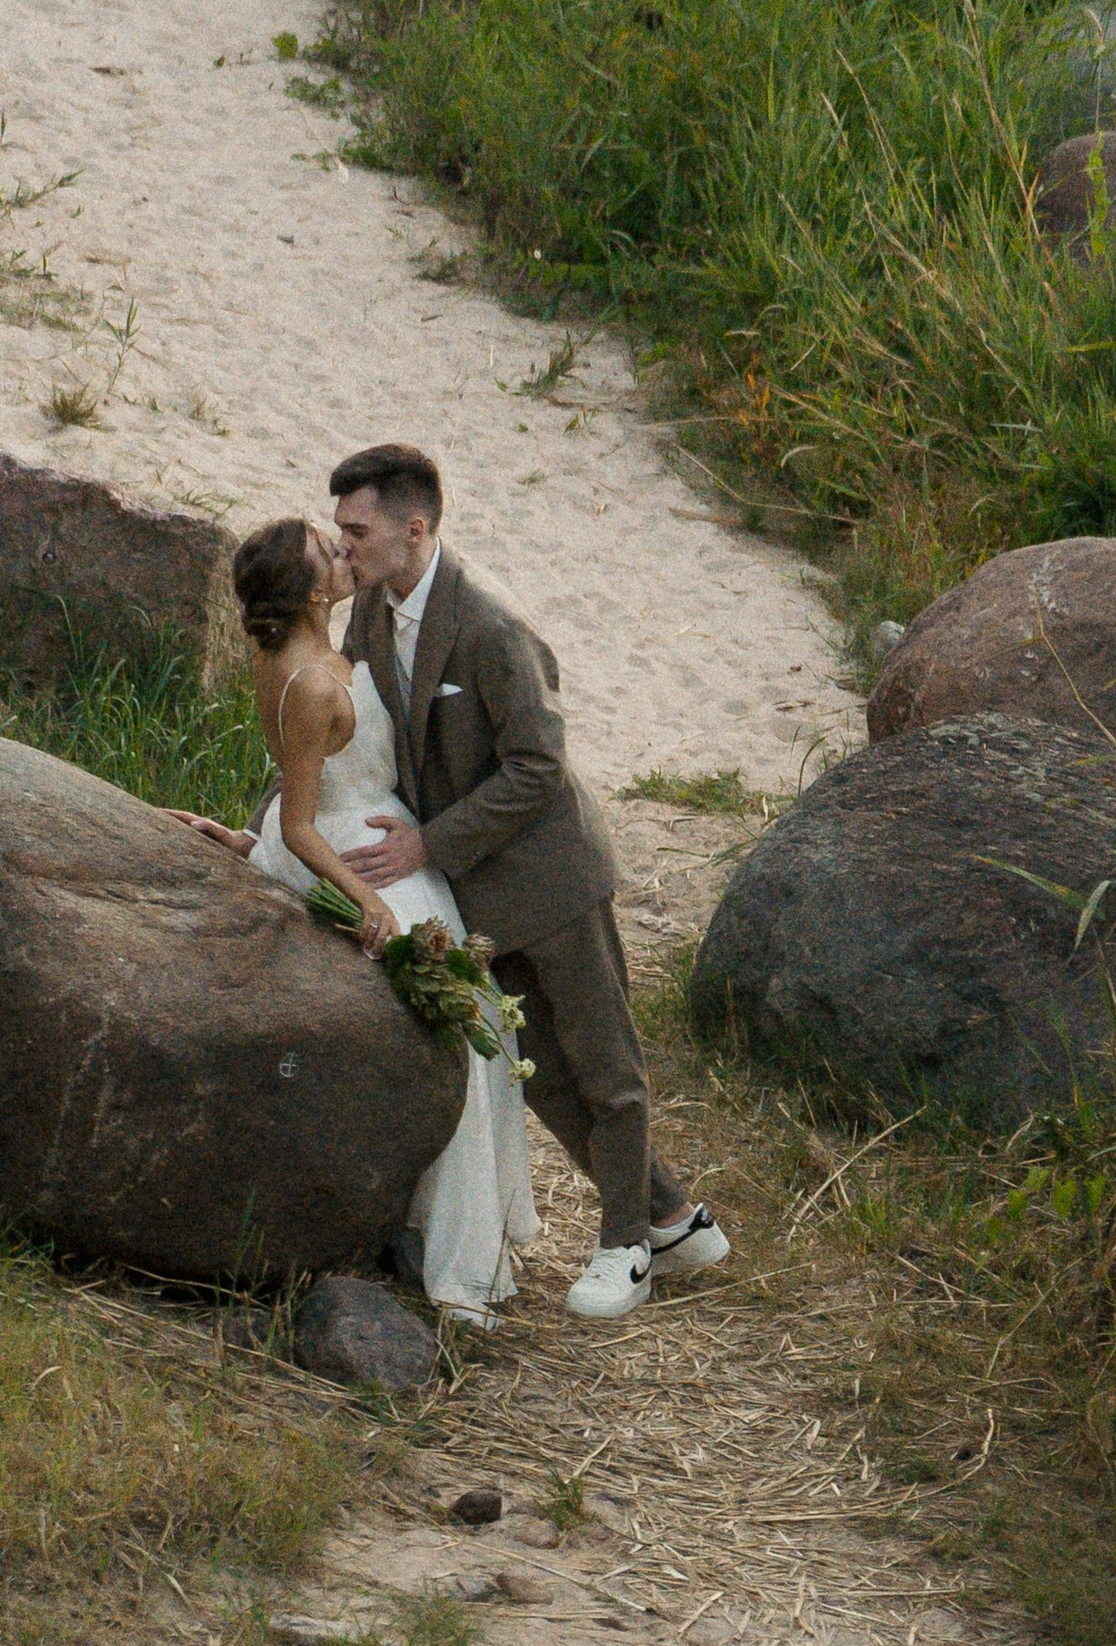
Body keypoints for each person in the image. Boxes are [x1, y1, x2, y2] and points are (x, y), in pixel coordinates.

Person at [323, 439, 730, 1322]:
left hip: (553, 878)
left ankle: (627, 1248)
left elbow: (538, 764)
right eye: (339, 528)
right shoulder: (369, 614)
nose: (343, 544)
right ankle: (673, 1219)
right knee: (539, 1076)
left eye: (357, 530)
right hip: (477, 890)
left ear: (414, 528)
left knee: (607, 1066)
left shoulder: (490, 624)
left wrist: (427, 846)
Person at [202, 512, 539, 1328]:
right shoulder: (314, 685)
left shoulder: (306, 654)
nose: (344, 552)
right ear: (311, 591)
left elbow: (294, 785)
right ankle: (456, 1261)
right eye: (329, 551)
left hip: (368, 832)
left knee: (475, 1023)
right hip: (355, 854)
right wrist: (368, 898)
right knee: (466, 1031)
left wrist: (246, 840)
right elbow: (299, 823)